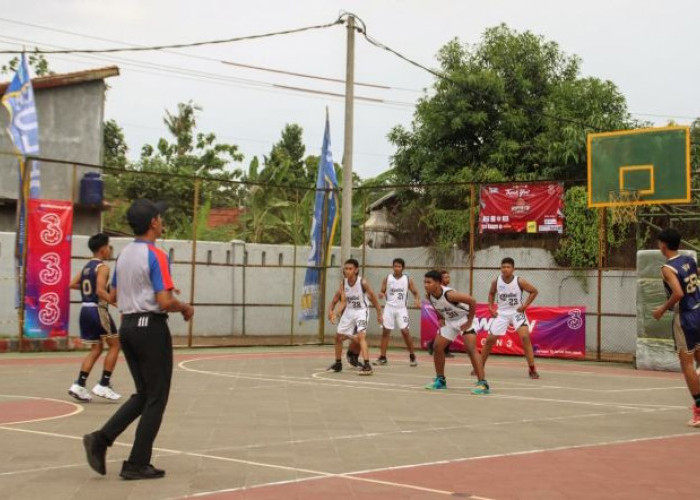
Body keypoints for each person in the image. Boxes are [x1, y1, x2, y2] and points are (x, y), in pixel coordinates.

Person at [82, 199, 195, 480]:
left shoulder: (124, 255)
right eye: (160, 217)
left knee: (144, 394)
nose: (161, 220)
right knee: (157, 397)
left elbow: (117, 297)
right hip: (150, 329)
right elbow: (164, 300)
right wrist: (183, 307)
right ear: (154, 223)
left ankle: (101, 438)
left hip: (129, 327)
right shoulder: (156, 255)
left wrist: (157, 293)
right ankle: (136, 462)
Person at [653, 228, 700, 427]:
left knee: (687, 363)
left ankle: (698, 409)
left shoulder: (667, 268)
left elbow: (678, 293)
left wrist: (662, 309)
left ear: (663, 245)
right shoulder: (689, 259)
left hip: (686, 317)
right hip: (699, 309)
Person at [68, 233, 122, 402]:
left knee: (97, 349)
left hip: (85, 310)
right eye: (109, 246)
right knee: (115, 345)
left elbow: (72, 284)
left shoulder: (87, 267)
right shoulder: (103, 267)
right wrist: (114, 302)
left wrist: (88, 291)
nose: (110, 249)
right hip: (98, 310)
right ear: (103, 249)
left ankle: (79, 384)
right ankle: (104, 384)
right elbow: (99, 290)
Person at [424, 270, 489, 394]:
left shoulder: (449, 295)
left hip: (465, 318)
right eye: (425, 282)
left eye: (429, 282)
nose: (426, 285)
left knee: (470, 348)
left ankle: (483, 384)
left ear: (438, 283)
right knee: (437, 347)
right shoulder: (430, 294)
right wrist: (440, 318)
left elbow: (472, 301)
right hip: (450, 321)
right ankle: (440, 380)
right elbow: (436, 306)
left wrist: (469, 322)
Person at [481, 257, 540, 379]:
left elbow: (534, 291)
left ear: (513, 269)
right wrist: (491, 308)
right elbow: (491, 293)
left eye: (508, 267)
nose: (505, 269)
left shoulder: (520, 281)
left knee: (525, 337)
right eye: (503, 267)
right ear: (500, 268)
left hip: (516, 312)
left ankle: (532, 368)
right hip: (502, 313)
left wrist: (524, 306)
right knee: (490, 340)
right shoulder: (496, 281)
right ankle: (479, 366)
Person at [328, 259, 382, 375]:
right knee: (337, 337)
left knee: (361, 335)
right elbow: (343, 302)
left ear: (356, 270)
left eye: (350, 269)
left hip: (362, 311)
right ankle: (338, 363)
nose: (347, 271)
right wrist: (335, 313)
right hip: (349, 311)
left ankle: (367, 365)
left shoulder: (362, 282)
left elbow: (373, 297)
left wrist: (379, 313)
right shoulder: (343, 283)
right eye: (346, 268)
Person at [374, 258, 420, 366]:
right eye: (395, 266)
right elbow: (382, 290)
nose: (397, 268)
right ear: (392, 267)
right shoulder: (387, 278)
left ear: (403, 268)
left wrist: (417, 300)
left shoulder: (407, 279)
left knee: (405, 332)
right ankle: (383, 357)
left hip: (401, 308)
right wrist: (381, 294)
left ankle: (412, 356)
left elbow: (415, 292)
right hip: (389, 308)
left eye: (399, 266)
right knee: (386, 332)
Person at [328, 288, 363, 368]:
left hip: (358, 317)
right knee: (339, 337)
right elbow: (333, 302)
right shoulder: (341, 290)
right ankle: (338, 362)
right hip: (346, 319)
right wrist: (330, 312)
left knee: (359, 339)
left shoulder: (360, 288)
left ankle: (353, 357)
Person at [426, 270, 455, 357]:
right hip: (444, 315)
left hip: (450, 314)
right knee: (446, 332)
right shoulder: (436, 291)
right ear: (440, 280)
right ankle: (442, 350)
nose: (448, 279)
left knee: (447, 332)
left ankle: (431, 344)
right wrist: (440, 317)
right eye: (446, 277)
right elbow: (437, 305)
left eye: (448, 277)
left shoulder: (449, 290)